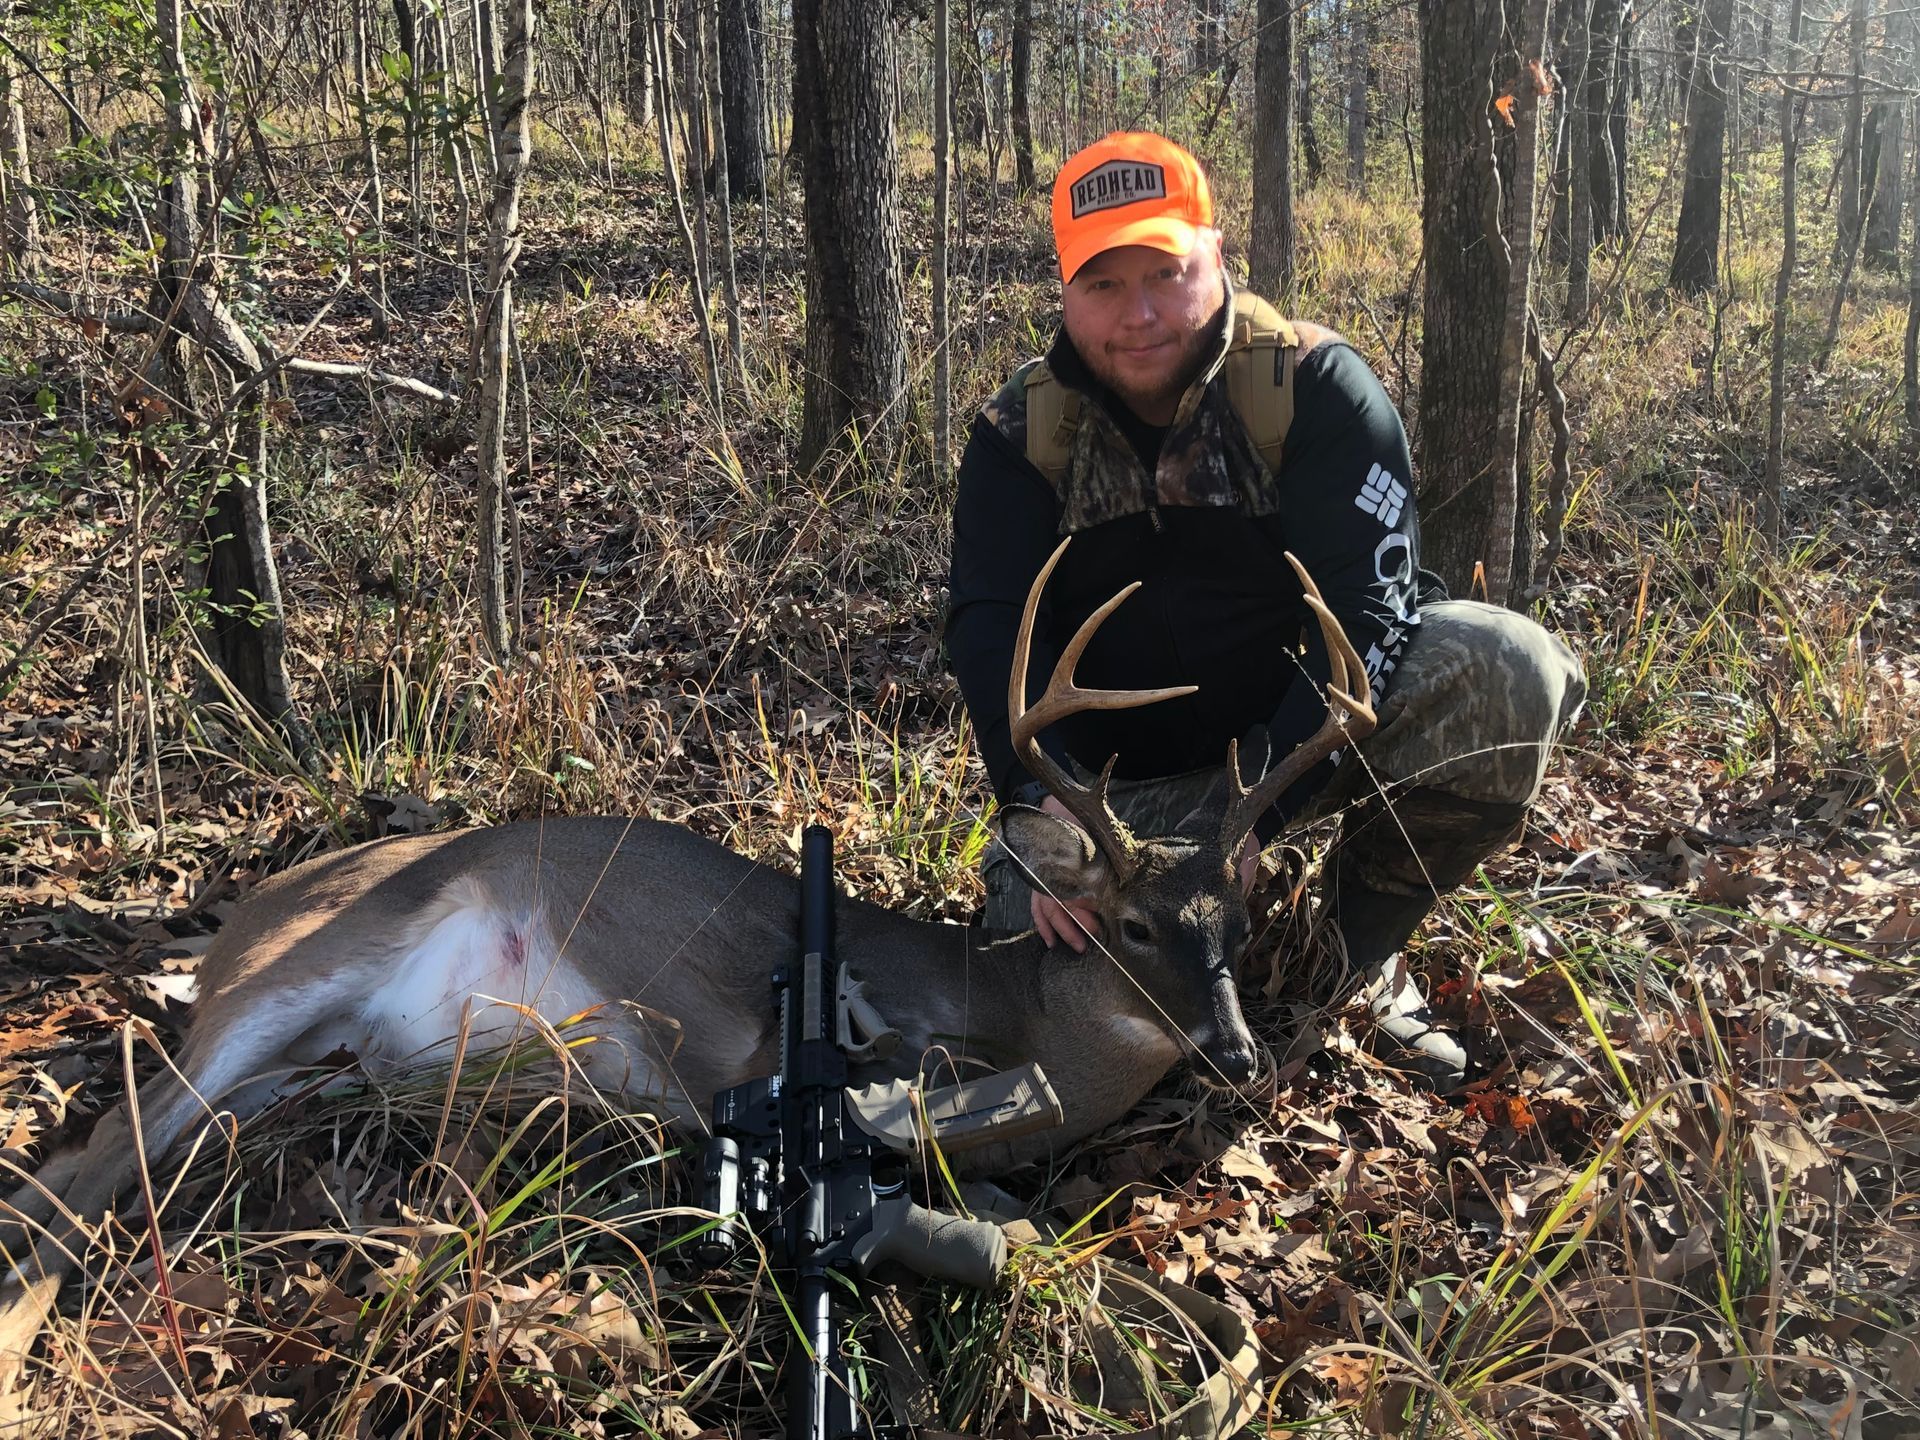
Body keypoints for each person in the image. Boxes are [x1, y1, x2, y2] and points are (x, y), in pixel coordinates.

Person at [945, 132, 1587, 1086]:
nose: (1140, 315)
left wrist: (1258, 814)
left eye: (1166, 273)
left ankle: (1354, 960)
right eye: (1104, 285)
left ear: (1218, 256)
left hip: (1285, 757)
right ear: (1065, 293)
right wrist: (1042, 805)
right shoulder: (1020, 436)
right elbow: (987, 628)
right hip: (1109, 808)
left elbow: (1371, 608)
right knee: (1033, 970)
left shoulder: (1313, 389)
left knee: (1509, 673)